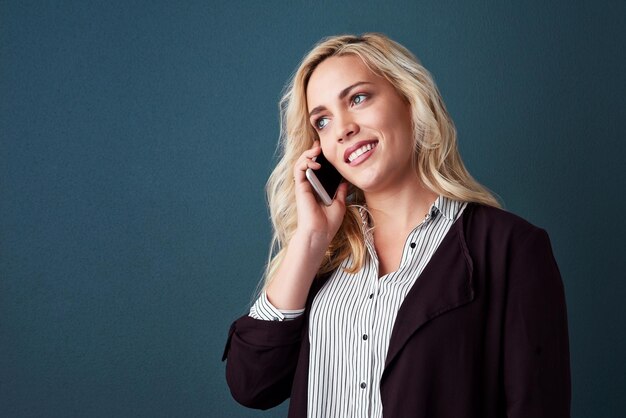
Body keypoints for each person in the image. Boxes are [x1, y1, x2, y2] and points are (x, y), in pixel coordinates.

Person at [222, 33, 571, 418]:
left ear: (409, 100)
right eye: (322, 121)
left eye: (358, 98)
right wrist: (309, 241)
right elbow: (251, 384)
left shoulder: (511, 248)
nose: (343, 129)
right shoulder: (323, 259)